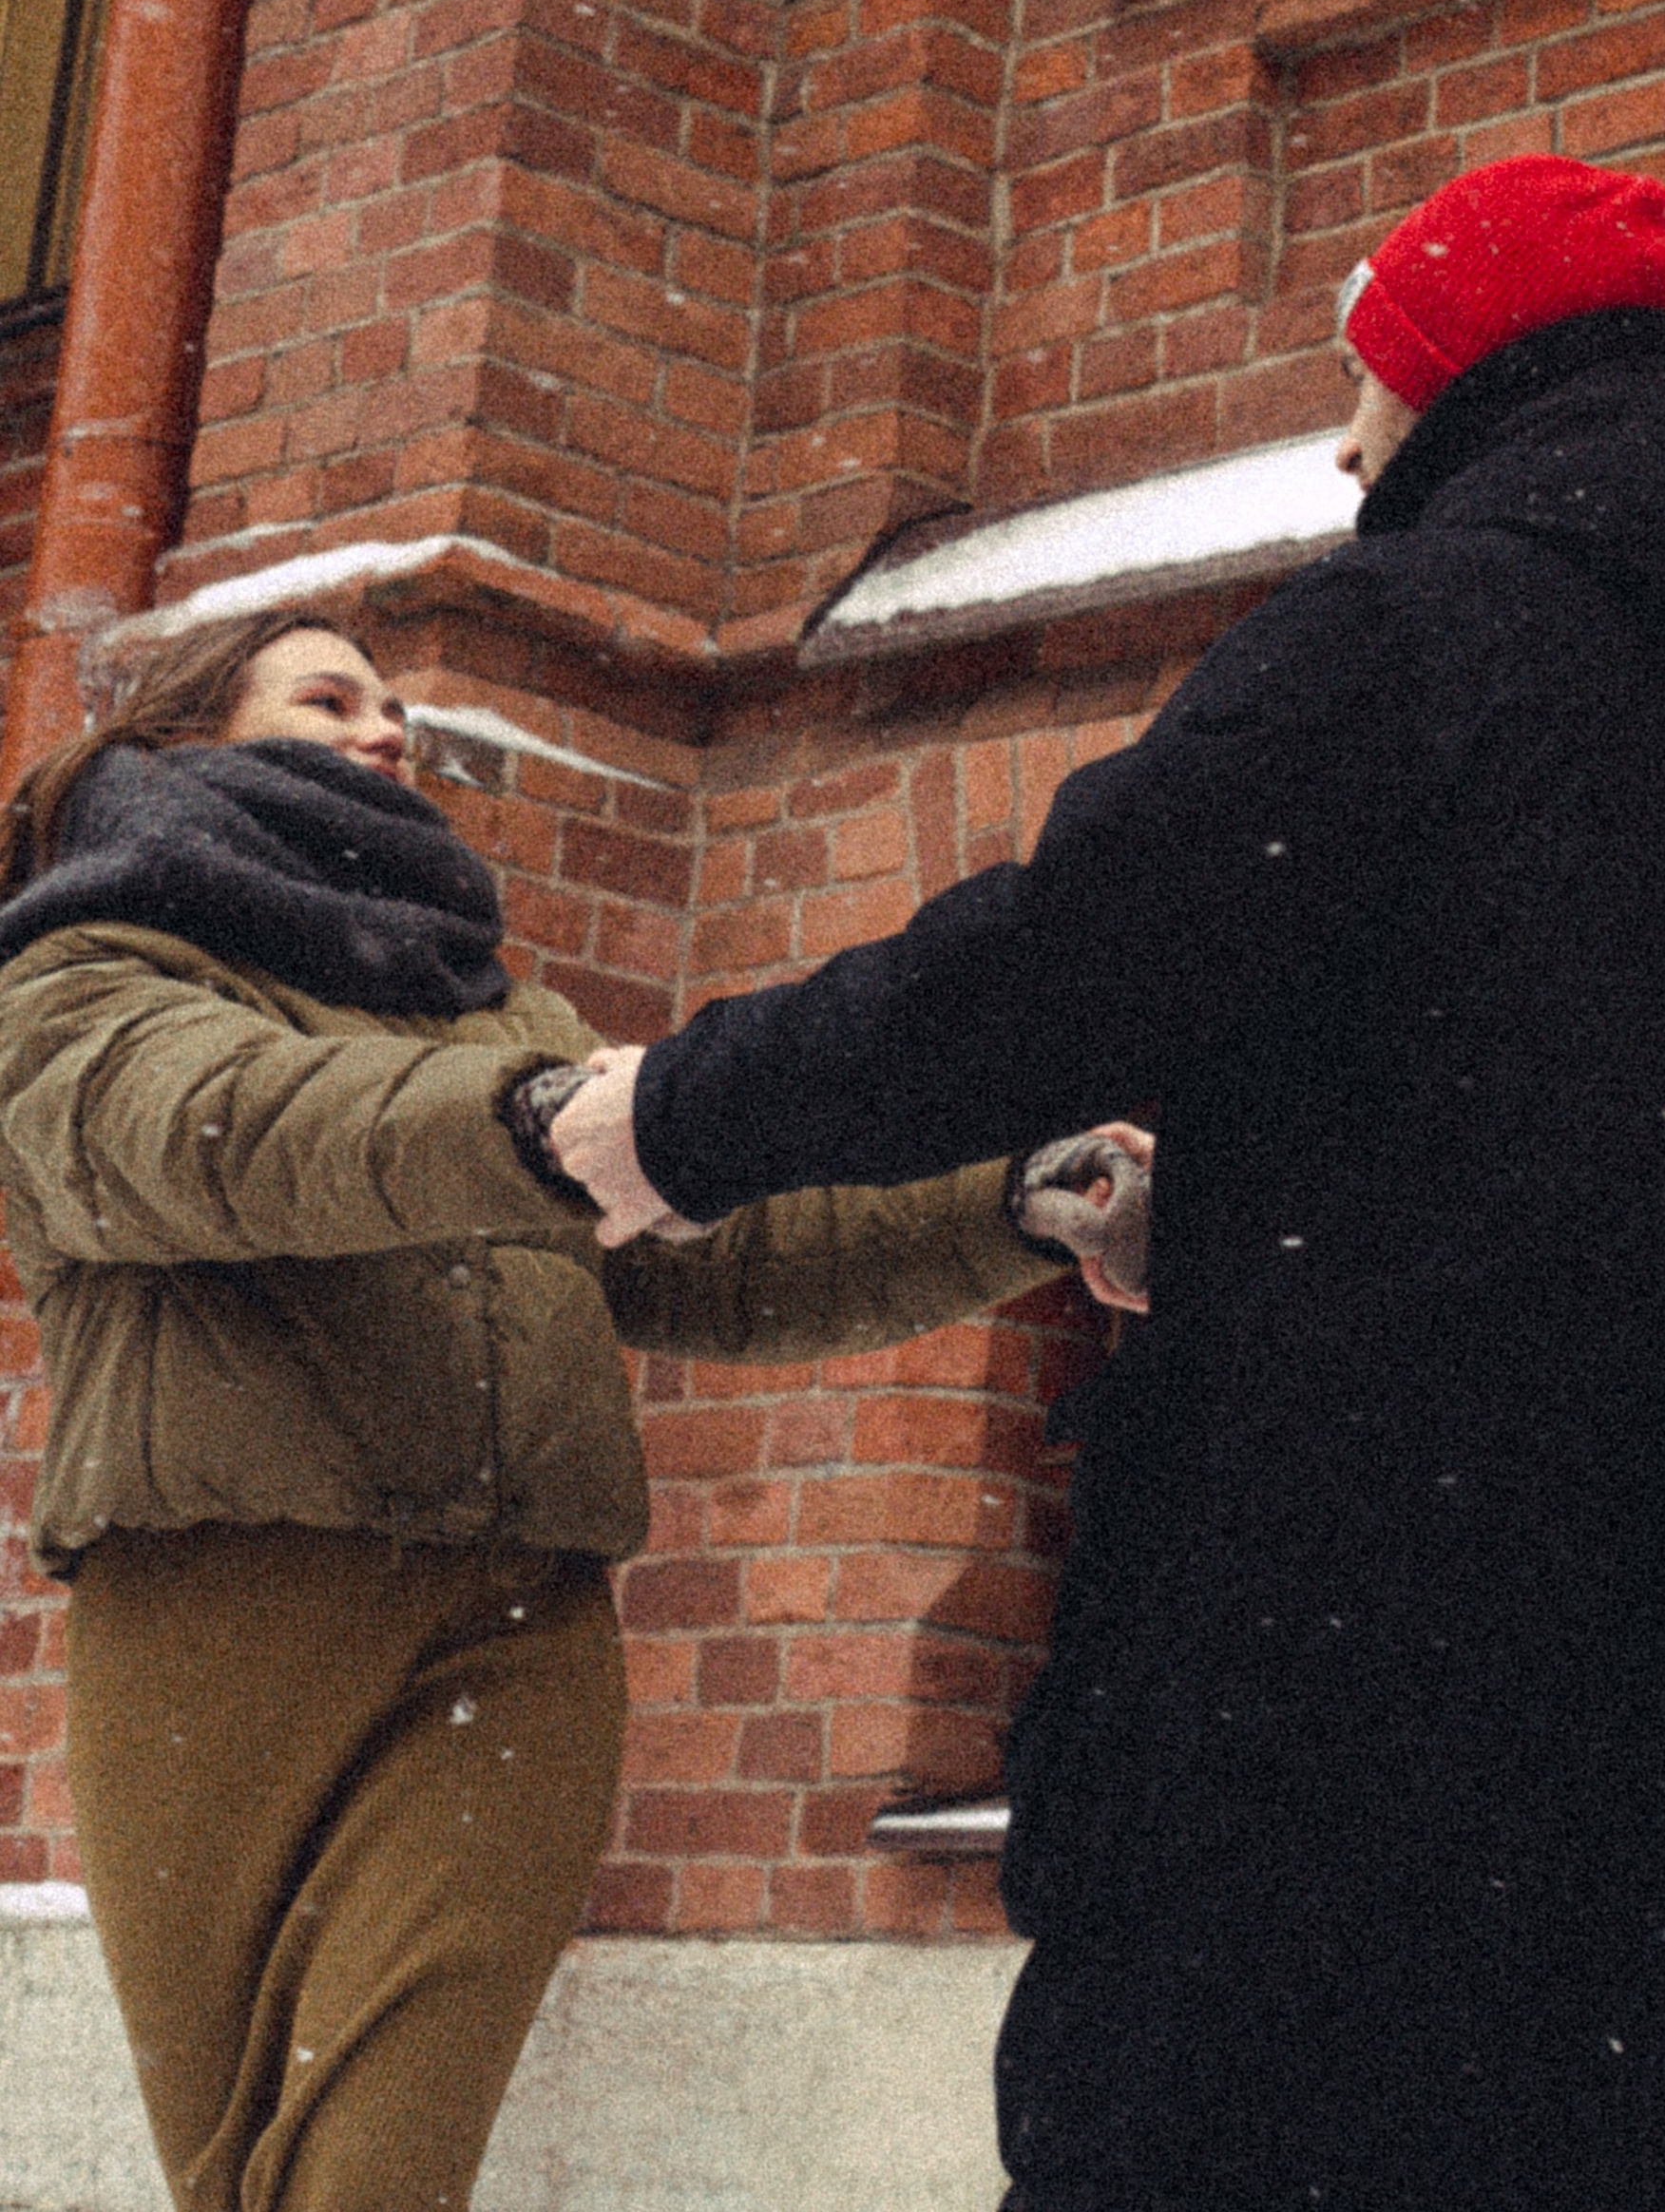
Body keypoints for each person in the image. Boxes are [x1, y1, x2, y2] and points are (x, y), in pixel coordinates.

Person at [551, 152, 1665, 2212]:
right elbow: (1559, 1156)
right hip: (1622, 1709)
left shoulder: (1418, 628)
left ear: (1458, 375)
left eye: (1369, 373)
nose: (1344, 430)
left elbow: (1059, 960)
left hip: (1324, 1662)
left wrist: (675, 1119)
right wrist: (1261, 1200)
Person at [0, 604, 1079, 2212]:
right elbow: (221, 1128)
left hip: (514, 1634)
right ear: (183, 743)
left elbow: (736, 1254)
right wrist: (536, 1123)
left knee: (377, 2175)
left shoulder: (507, 1024)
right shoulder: (86, 980)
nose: (388, 728)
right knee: (248, 2177)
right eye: (331, 694)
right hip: (224, 1618)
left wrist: (1015, 1207)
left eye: (395, 708)